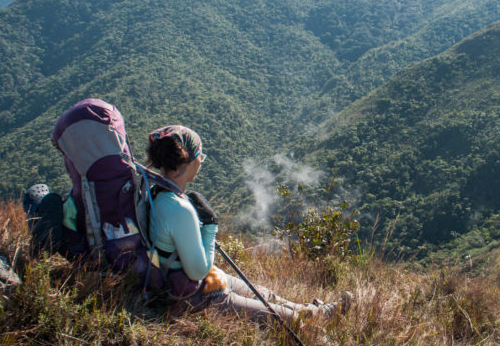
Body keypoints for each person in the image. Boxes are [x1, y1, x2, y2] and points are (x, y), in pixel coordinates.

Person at [145, 124, 351, 323]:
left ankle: (317, 312)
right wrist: (210, 227)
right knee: (289, 320)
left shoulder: (157, 192)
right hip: (193, 298)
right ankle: (310, 316)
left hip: (180, 281)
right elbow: (197, 271)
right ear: (189, 160)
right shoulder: (180, 209)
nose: (201, 162)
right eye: (201, 156)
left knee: (261, 293)